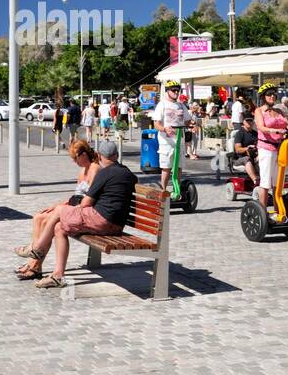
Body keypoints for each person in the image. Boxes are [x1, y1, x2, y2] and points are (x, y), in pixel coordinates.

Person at [16, 139, 137, 289]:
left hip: (103, 220)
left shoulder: (103, 173)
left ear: (99, 155)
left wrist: (70, 210)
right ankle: (58, 275)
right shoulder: (128, 173)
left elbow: (86, 203)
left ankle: (37, 248)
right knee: (59, 227)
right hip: (115, 223)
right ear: (116, 155)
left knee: (60, 211)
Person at [15, 139, 100, 259]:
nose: (75, 162)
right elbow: (76, 195)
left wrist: (64, 208)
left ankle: (34, 260)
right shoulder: (83, 170)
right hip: (74, 204)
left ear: (84, 154)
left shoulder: (94, 169)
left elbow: (89, 199)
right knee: (38, 217)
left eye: (75, 158)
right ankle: (33, 262)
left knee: (45, 221)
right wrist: (57, 205)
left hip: (83, 209)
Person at [152, 80, 190, 195]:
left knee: (178, 168)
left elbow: (187, 120)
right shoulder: (162, 105)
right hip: (166, 142)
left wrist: (191, 124)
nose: (176, 93)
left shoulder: (181, 105)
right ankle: (163, 191)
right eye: (173, 90)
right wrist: (164, 129)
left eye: (178, 91)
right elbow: (156, 124)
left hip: (180, 140)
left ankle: (176, 191)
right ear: (167, 91)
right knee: (166, 167)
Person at [253, 84, 287, 207]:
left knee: (278, 182)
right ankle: (262, 211)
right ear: (263, 97)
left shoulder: (280, 111)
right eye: (269, 94)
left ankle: (279, 211)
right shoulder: (259, 111)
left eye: (274, 94)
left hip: (280, 148)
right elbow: (261, 127)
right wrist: (275, 131)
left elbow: (286, 126)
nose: (272, 96)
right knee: (266, 181)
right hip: (266, 148)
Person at [232, 112, 259, 186]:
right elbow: (237, 149)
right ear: (243, 122)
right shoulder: (240, 133)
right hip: (240, 158)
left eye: (251, 121)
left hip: (254, 156)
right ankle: (255, 181)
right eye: (247, 121)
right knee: (247, 159)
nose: (249, 122)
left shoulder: (255, 133)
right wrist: (247, 148)